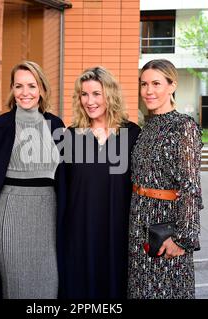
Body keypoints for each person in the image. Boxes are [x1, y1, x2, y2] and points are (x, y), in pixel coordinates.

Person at [0, 61, 66, 299]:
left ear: (42, 89)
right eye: (19, 86)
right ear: (12, 89)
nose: (25, 93)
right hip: (10, 214)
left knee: (50, 284)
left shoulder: (56, 125)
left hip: (49, 216)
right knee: (16, 288)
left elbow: (66, 175)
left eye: (32, 86)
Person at [61, 66, 141, 299]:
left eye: (97, 93)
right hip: (80, 231)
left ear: (110, 95)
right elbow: (63, 188)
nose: (90, 101)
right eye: (84, 94)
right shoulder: (71, 135)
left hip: (118, 231)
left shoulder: (132, 133)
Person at [127, 59, 203, 299]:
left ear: (172, 86)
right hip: (139, 223)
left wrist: (182, 239)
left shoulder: (184, 126)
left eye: (156, 83)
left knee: (167, 291)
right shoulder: (146, 127)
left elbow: (190, 187)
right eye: (144, 84)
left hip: (165, 228)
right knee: (140, 291)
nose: (149, 91)